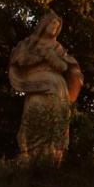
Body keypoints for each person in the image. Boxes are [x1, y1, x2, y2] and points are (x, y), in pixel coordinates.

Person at [9, 10, 83, 166]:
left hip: (57, 89)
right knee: (32, 116)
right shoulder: (29, 44)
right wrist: (39, 56)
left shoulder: (57, 48)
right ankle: (27, 154)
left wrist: (49, 56)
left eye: (57, 27)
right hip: (36, 86)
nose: (54, 28)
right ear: (44, 24)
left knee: (55, 122)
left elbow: (63, 66)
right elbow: (19, 61)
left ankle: (51, 158)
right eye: (52, 24)